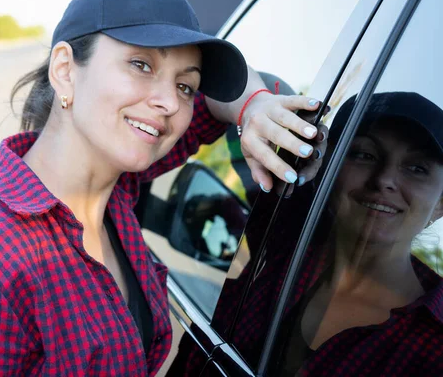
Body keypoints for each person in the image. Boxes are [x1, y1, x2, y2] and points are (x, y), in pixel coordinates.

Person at [0, 0, 322, 376]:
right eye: (141, 65)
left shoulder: (117, 190)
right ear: (65, 71)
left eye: (184, 85)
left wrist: (256, 106)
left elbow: (215, 103)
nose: (169, 101)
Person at [170, 91, 443, 376]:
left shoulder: (434, 344)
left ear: (440, 204)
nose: (384, 179)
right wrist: (256, 106)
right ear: (325, 168)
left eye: (416, 168)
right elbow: (224, 91)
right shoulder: (289, 234)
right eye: (364, 154)